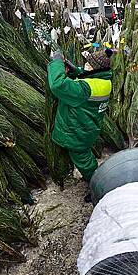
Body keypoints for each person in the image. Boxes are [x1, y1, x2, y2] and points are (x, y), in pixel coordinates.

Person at [48, 48, 113, 201]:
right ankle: (93, 176)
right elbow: (87, 79)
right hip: (88, 127)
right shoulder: (104, 81)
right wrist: (73, 69)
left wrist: (57, 62)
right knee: (85, 155)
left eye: (87, 64)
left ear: (93, 67)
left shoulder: (84, 89)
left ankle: (97, 186)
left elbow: (58, 85)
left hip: (77, 131)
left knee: (84, 160)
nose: (85, 65)